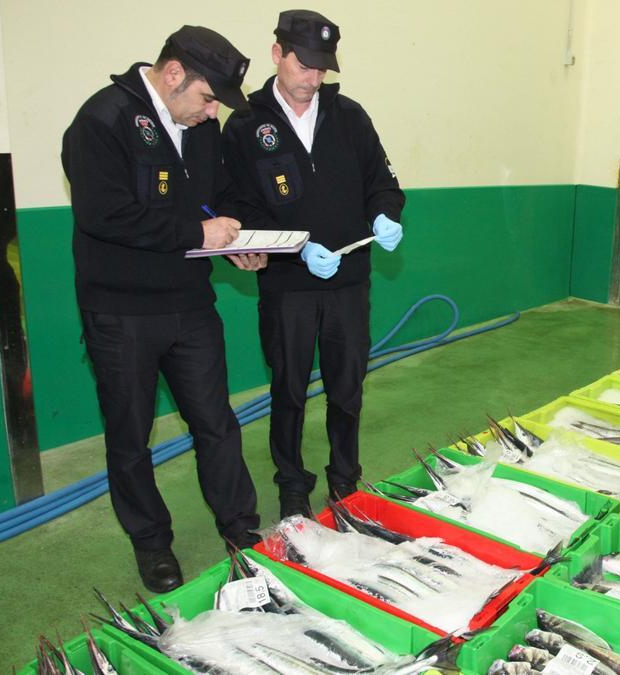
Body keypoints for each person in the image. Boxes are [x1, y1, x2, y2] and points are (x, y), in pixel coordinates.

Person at [61, 25, 268, 593]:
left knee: (217, 424)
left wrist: (237, 244)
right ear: (174, 74)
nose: (210, 115)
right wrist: (197, 229)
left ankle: (241, 529)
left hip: (190, 305)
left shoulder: (198, 127)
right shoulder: (101, 120)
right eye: (207, 99)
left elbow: (216, 197)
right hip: (121, 312)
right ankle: (152, 543)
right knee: (130, 437)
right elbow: (104, 216)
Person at [222, 9, 405, 519]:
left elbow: (383, 184)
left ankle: (345, 478)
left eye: (323, 69)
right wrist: (294, 247)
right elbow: (238, 206)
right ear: (278, 53)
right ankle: (292, 484)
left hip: (348, 281)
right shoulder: (243, 124)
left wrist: (387, 215)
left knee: (347, 388)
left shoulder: (351, 117)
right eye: (304, 65)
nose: (313, 78)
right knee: (289, 390)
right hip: (287, 286)